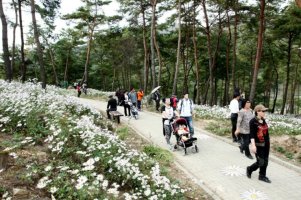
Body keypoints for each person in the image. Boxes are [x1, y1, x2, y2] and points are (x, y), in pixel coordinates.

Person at [246, 104, 271, 183]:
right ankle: (250, 169)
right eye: (263, 111)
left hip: (266, 144)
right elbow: (252, 135)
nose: (264, 112)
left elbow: (266, 132)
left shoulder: (263, 120)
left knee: (265, 161)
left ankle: (262, 176)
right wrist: (253, 145)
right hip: (258, 145)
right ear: (257, 111)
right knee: (260, 162)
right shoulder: (253, 121)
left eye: (265, 111)